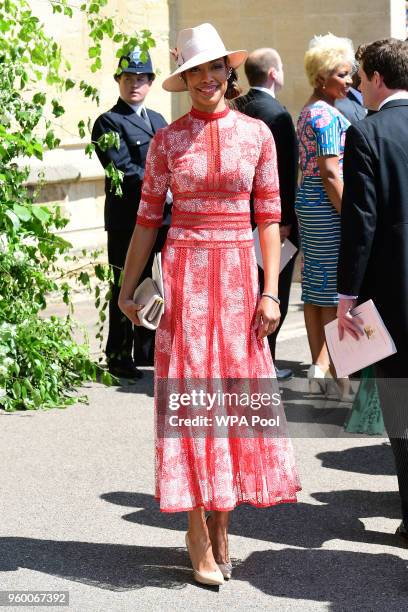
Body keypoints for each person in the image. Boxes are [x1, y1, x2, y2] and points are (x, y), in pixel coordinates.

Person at [118, 23, 300, 586]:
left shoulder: (258, 136)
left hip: (240, 281)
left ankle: (224, 522)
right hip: (185, 282)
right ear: (186, 79)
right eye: (194, 71)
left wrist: (271, 290)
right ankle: (197, 528)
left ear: (229, 72)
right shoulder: (166, 141)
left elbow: (269, 219)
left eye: (213, 68)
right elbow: (147, 221)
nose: (204, 79)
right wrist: (126, 290)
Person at [336, 38, 408, 539]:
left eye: (360, 77)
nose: (358, 85)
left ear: (378, 78)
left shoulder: (366, 135)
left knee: (401, 407)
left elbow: (360, 223)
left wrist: (345, 297)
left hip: (393, 293)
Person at [92, 49, 168, 379]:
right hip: (128, 219)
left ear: (150, 82)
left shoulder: (159, 121)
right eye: (127, 78)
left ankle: (147, 348)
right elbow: (121, 169)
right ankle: (120, 353)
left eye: (140, 78)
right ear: (118, 82)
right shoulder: (108, 122)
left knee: (157, 282)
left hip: (161, 217)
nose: (134, 84)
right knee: (125, 283)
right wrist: (163, 187)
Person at [235, 48, 299, 381]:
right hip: (272, 220)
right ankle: (266, 361)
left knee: (248, 291)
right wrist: (286, 220)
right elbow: (285, 173)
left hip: (239, 216)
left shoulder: (237, 107)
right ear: (273, 73)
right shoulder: (278, 115)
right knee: (274, 293)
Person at [295, 34, 353, 395]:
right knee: (332, 293)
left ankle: (320, 368)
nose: (349, 81)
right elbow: (332, 172)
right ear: (322, 78)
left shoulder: (307, 110)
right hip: (328, 204)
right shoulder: (328, 116)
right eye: (343, 74)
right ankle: (341, 382)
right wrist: (351, 216)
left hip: (308, 201)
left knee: (315, 289)